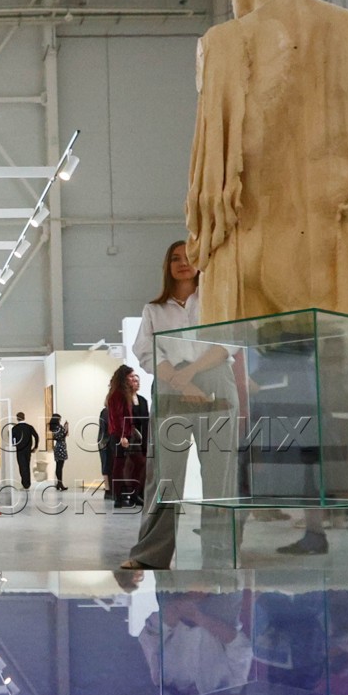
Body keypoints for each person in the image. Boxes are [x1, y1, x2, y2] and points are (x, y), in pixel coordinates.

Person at [121, 240, 239, 570]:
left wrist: (191, 373)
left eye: (188, 257)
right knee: (164, 476)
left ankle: (219, 555)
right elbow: (146, 351)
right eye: (175, 258)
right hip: (171, 385)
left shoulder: (216, 301)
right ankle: (150, 555)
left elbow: (228, 341)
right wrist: (181, 381)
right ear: (167, 266)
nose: (182, 263)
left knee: (219, 476)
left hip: (215, 380)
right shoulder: (154, 310)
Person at [105, 366, 150, 508]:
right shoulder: (118, 394)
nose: (133, 380)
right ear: (124, 378)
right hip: (120, 435)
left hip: (129, 434)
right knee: (119, 465)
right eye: (130, 377)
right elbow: (118, 417)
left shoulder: (126, 395)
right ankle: (118, 497)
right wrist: (123, 436)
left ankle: (133, 495)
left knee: (139, 463)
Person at [7, 412, 39, 489]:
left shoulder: (15, 428)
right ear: (24, 417)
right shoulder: (29, 427)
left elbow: (12, 440)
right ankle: (27, 483)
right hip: (28, 450)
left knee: (22, 466)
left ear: (17, 418)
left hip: (20, 449)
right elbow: (36, 436)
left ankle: (25, 483)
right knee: (27, 465)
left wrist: (14, 444)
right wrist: (35, 447)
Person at [48, 413, 70, 491]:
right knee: (60, 466)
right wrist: (66, 428)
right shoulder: (58, 427)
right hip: (61, 447)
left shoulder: (54, 428)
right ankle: (60, 483)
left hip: (58, 446)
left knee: (59, 466)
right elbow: (62, 435)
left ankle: (58, 483)